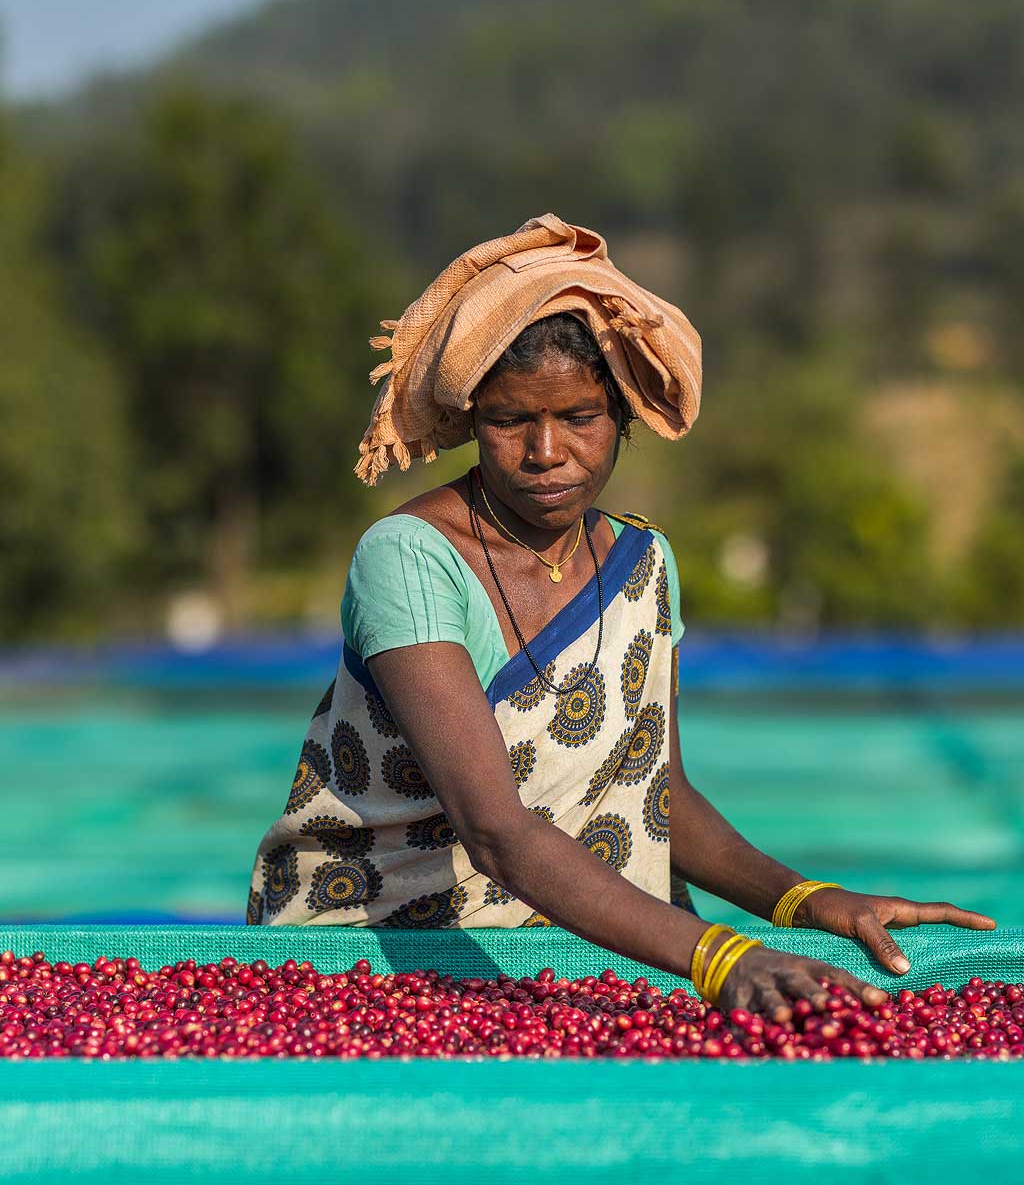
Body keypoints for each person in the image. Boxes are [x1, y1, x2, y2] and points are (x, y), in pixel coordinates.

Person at [246, 213, 995, 1018]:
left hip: (584, 946)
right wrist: (716, 954)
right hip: (371, 953)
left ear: (624, 419)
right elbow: (495, 830)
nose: (544, 452)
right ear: (472, 421)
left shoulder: (646, 564)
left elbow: (660, 791)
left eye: (579, 417)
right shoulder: (410, 558)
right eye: (508, 421)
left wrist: (805, 899)